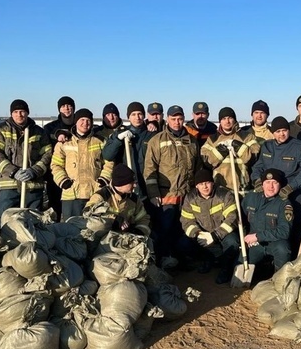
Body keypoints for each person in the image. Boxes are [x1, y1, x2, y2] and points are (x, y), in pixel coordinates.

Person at [144, 104, 200, 269]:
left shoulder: (192, 141)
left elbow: (198, 168)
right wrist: (153, 194)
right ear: (167, 119)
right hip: (166, 197)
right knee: (165, 230)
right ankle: (166, 260)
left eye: (180, 118)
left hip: (186, 197)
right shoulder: (157, 141)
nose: (177, 122)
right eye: (173, 118)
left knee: (185, 230)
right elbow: (149, 170)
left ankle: (183, 259)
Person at [252, 116, 301, 255]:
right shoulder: (267, 146)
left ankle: (294, 258)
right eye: (278, 131)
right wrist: (257, 180)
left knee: (294, 230)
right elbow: (258, 167)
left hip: (292, 195)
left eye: (285, 130)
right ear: (273, 132)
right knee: (269, 227)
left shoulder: (299, 147)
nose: (282, 134)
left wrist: (291, 187)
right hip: (270, 197)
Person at [218, 168, 294, 284]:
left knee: (283, 249)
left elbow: (285, 231)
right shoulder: (251, 198)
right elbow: (240, 221)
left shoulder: (284, 204)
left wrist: (258, 236)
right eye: (267, 182)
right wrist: (243, 238)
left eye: (275, 182)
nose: (271, 186)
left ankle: (280, 280)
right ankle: (262, 270)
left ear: (280, 185)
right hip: (254, 244)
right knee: (239, 266)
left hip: (275, 242)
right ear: (262, 184)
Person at [0, 99, 52, 219]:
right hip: (9, 186)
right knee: (6, 222)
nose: (19, 115)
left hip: (32, 187)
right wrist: (13, 171)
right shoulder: (1, 130)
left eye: (22, 111)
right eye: (16, 111)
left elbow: (47, 155)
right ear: (11, 113)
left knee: (32, 223)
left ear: (27, 113)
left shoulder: (39, 132)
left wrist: (34, 171)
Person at [51, 108, 111, 219]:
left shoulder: (101, 141)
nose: (85, 123)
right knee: (71, 230)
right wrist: (62, 181)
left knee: (94, 229)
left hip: (95, 193)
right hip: (71, 194)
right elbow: (56, 165)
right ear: (76, 121)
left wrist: (104, 179)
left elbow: (110, 162)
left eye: (88, 120)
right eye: (82, 120)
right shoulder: (64, 142)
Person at [180, 168, 239, 276]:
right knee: (184, 243)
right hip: (202, 234)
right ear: (196, 186)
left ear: (212, 183)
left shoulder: (224, 195)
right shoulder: (190, 198)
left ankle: (225, 268)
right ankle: (207, 259)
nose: (205, 187)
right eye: (201, 184)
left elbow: (232, 218)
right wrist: (198, 233)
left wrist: (215, 235)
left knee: (232, 243)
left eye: (207, 183)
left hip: (222, 234)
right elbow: (186, 220)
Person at [102, 101, 156, 203]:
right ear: (128, 117)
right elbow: (107, 155)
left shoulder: (152, 135)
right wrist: (118, 140)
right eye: (133, 114)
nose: (137, 117)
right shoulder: (120, 133)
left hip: (147, 186)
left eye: (140, 114)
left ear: (144, 115)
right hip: (127, 186)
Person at [200, 107, 260, 191]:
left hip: (241, 187)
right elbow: (206, 160)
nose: (227, 121)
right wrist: (220, 151)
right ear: (220, 121)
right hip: (221, 188)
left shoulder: (247, 137)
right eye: (224, 118)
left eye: (230, 118)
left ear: (234, 120)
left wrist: (239, 147)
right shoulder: (212, 139)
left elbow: (254, 157)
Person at [85, 163, 151, 236]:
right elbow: (87, 214)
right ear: (121, 184)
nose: (135, 185)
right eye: (131, 183)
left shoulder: (134, 199)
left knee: (149, 243)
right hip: (103, 240)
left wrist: (138, 232)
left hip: (126, 238)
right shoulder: (101, 196)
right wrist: (115, 221)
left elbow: (143, 218)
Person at [43, 96, 76, 220]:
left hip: (75, 174)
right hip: (56, 175)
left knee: (74, 209)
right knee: (55, 208)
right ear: (59, 109)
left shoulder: (80, 126)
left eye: (69, 105)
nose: (66, 108)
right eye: (63, 106)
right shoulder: (49, 128)